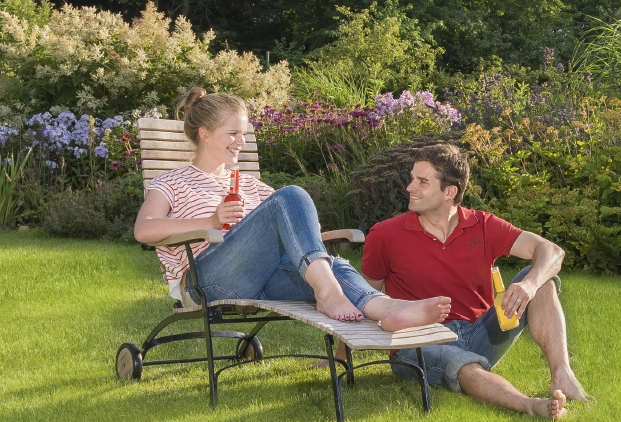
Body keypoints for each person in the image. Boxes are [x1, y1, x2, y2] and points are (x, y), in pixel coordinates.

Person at [132, 88, 448, 330]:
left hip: (262, 280)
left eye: (244, 134)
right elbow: (144, 230)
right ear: (204, 133)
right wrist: (211, 220)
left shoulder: (251, 185)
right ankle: (329, 293)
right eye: (233, 133)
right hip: (208, 281)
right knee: (291, 196)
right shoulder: (172, 181)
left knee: (329, 265)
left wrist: (309, 239)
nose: (241, 142)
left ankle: (387, 308)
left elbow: (296, 228)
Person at [360, 140, 591, 422]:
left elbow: (552, 251)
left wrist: (529, 284)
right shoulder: (385, 235)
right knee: (462, 365)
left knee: (542, 280)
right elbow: (364, 297)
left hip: (478, 333)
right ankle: (530, 405)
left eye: (422, 181)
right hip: (417, 342)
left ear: (449, 192)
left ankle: (562, 374)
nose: (410, 187)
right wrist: (342, 353)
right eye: (412, 179)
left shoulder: (482, 225)